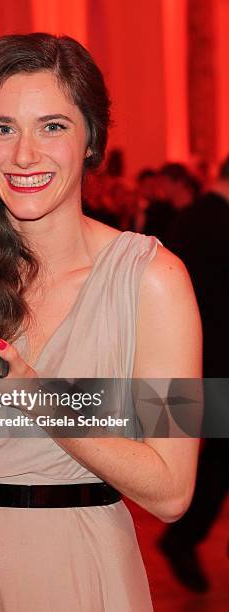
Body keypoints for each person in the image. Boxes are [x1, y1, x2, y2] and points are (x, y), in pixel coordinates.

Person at [0, 33, 202, 611]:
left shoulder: (157, 278)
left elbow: (173, 491)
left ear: (91, 140)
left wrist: (28, 390)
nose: (24, 154)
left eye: (53, 126)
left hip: (85, 567)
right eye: (3, 128)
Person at [159, 155, 229, 592]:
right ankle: (181, 536)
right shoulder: (216, 222)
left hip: (198, 358)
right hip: (217, 361)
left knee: (219, 456)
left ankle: (183, 536)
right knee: (218, 458)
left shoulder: (194, 218)